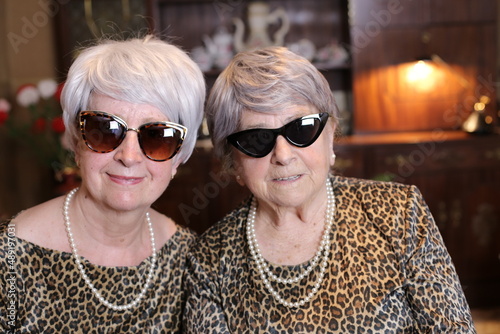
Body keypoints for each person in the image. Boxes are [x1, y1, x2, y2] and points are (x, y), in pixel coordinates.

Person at [183, 46, 476, 333]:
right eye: (257, 139)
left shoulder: (399, 213)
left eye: (302, 128)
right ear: (233, 163)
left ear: (331, 135)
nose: (283, 155)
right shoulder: (209, 260)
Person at [0, 35, 205, 332]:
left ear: (179, 157)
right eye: (105, 130)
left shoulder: (192, 261)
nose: (129, 156)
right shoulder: (8, 256)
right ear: (75, 138)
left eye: (157, 136)